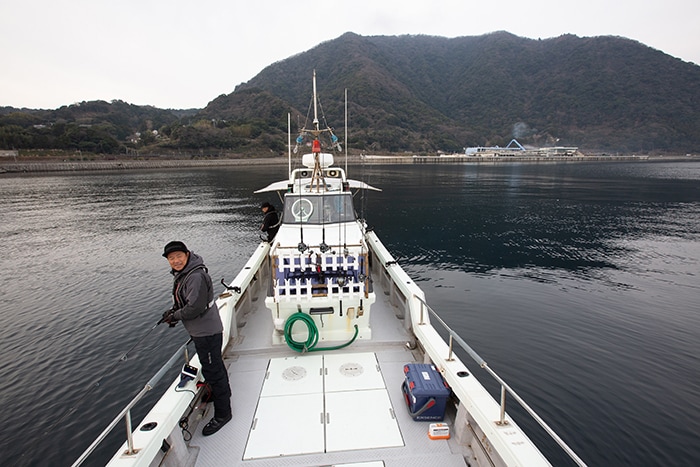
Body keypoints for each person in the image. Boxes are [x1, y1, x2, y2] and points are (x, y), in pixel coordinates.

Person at [161, 241, 232, 436]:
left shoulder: (195, 277)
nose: (175, 261)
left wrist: (174, 316)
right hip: (202, 331)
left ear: (187, 254)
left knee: (213, 370)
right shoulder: (186, 273)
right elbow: (186, 301)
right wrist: (173, 311)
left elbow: (195, 307)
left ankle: (223, 414)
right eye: (171, 258)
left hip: (206, 332)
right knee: (213, 366)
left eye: (178, 256)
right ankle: (222, 394)